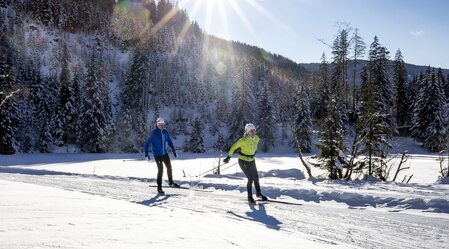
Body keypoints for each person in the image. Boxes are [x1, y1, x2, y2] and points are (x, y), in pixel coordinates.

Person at [222, 123, 268, 203]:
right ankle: (249, 197)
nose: (253, 132)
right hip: (243, 161)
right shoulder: (242, 140)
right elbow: (233, 148)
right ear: (247, 132)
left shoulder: (257, 138)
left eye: (254, 130)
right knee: (250, 178)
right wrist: (228, 157)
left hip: (251, 160)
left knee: (256, 178)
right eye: (251, 131)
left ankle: (258, 193)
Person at [144, 117, 179, 194]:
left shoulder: (165, 132)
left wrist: (173, 149)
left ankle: (170, 182)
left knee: (169, 167)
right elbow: (146, 144)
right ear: (157, 124)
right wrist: (146, 155)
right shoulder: (153, 133)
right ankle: (159, 188)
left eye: (163, 124)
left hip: (165, 153)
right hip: (157, 155)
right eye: (160, 124)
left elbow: (169, 141)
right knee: (160, 170)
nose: (162, 126)